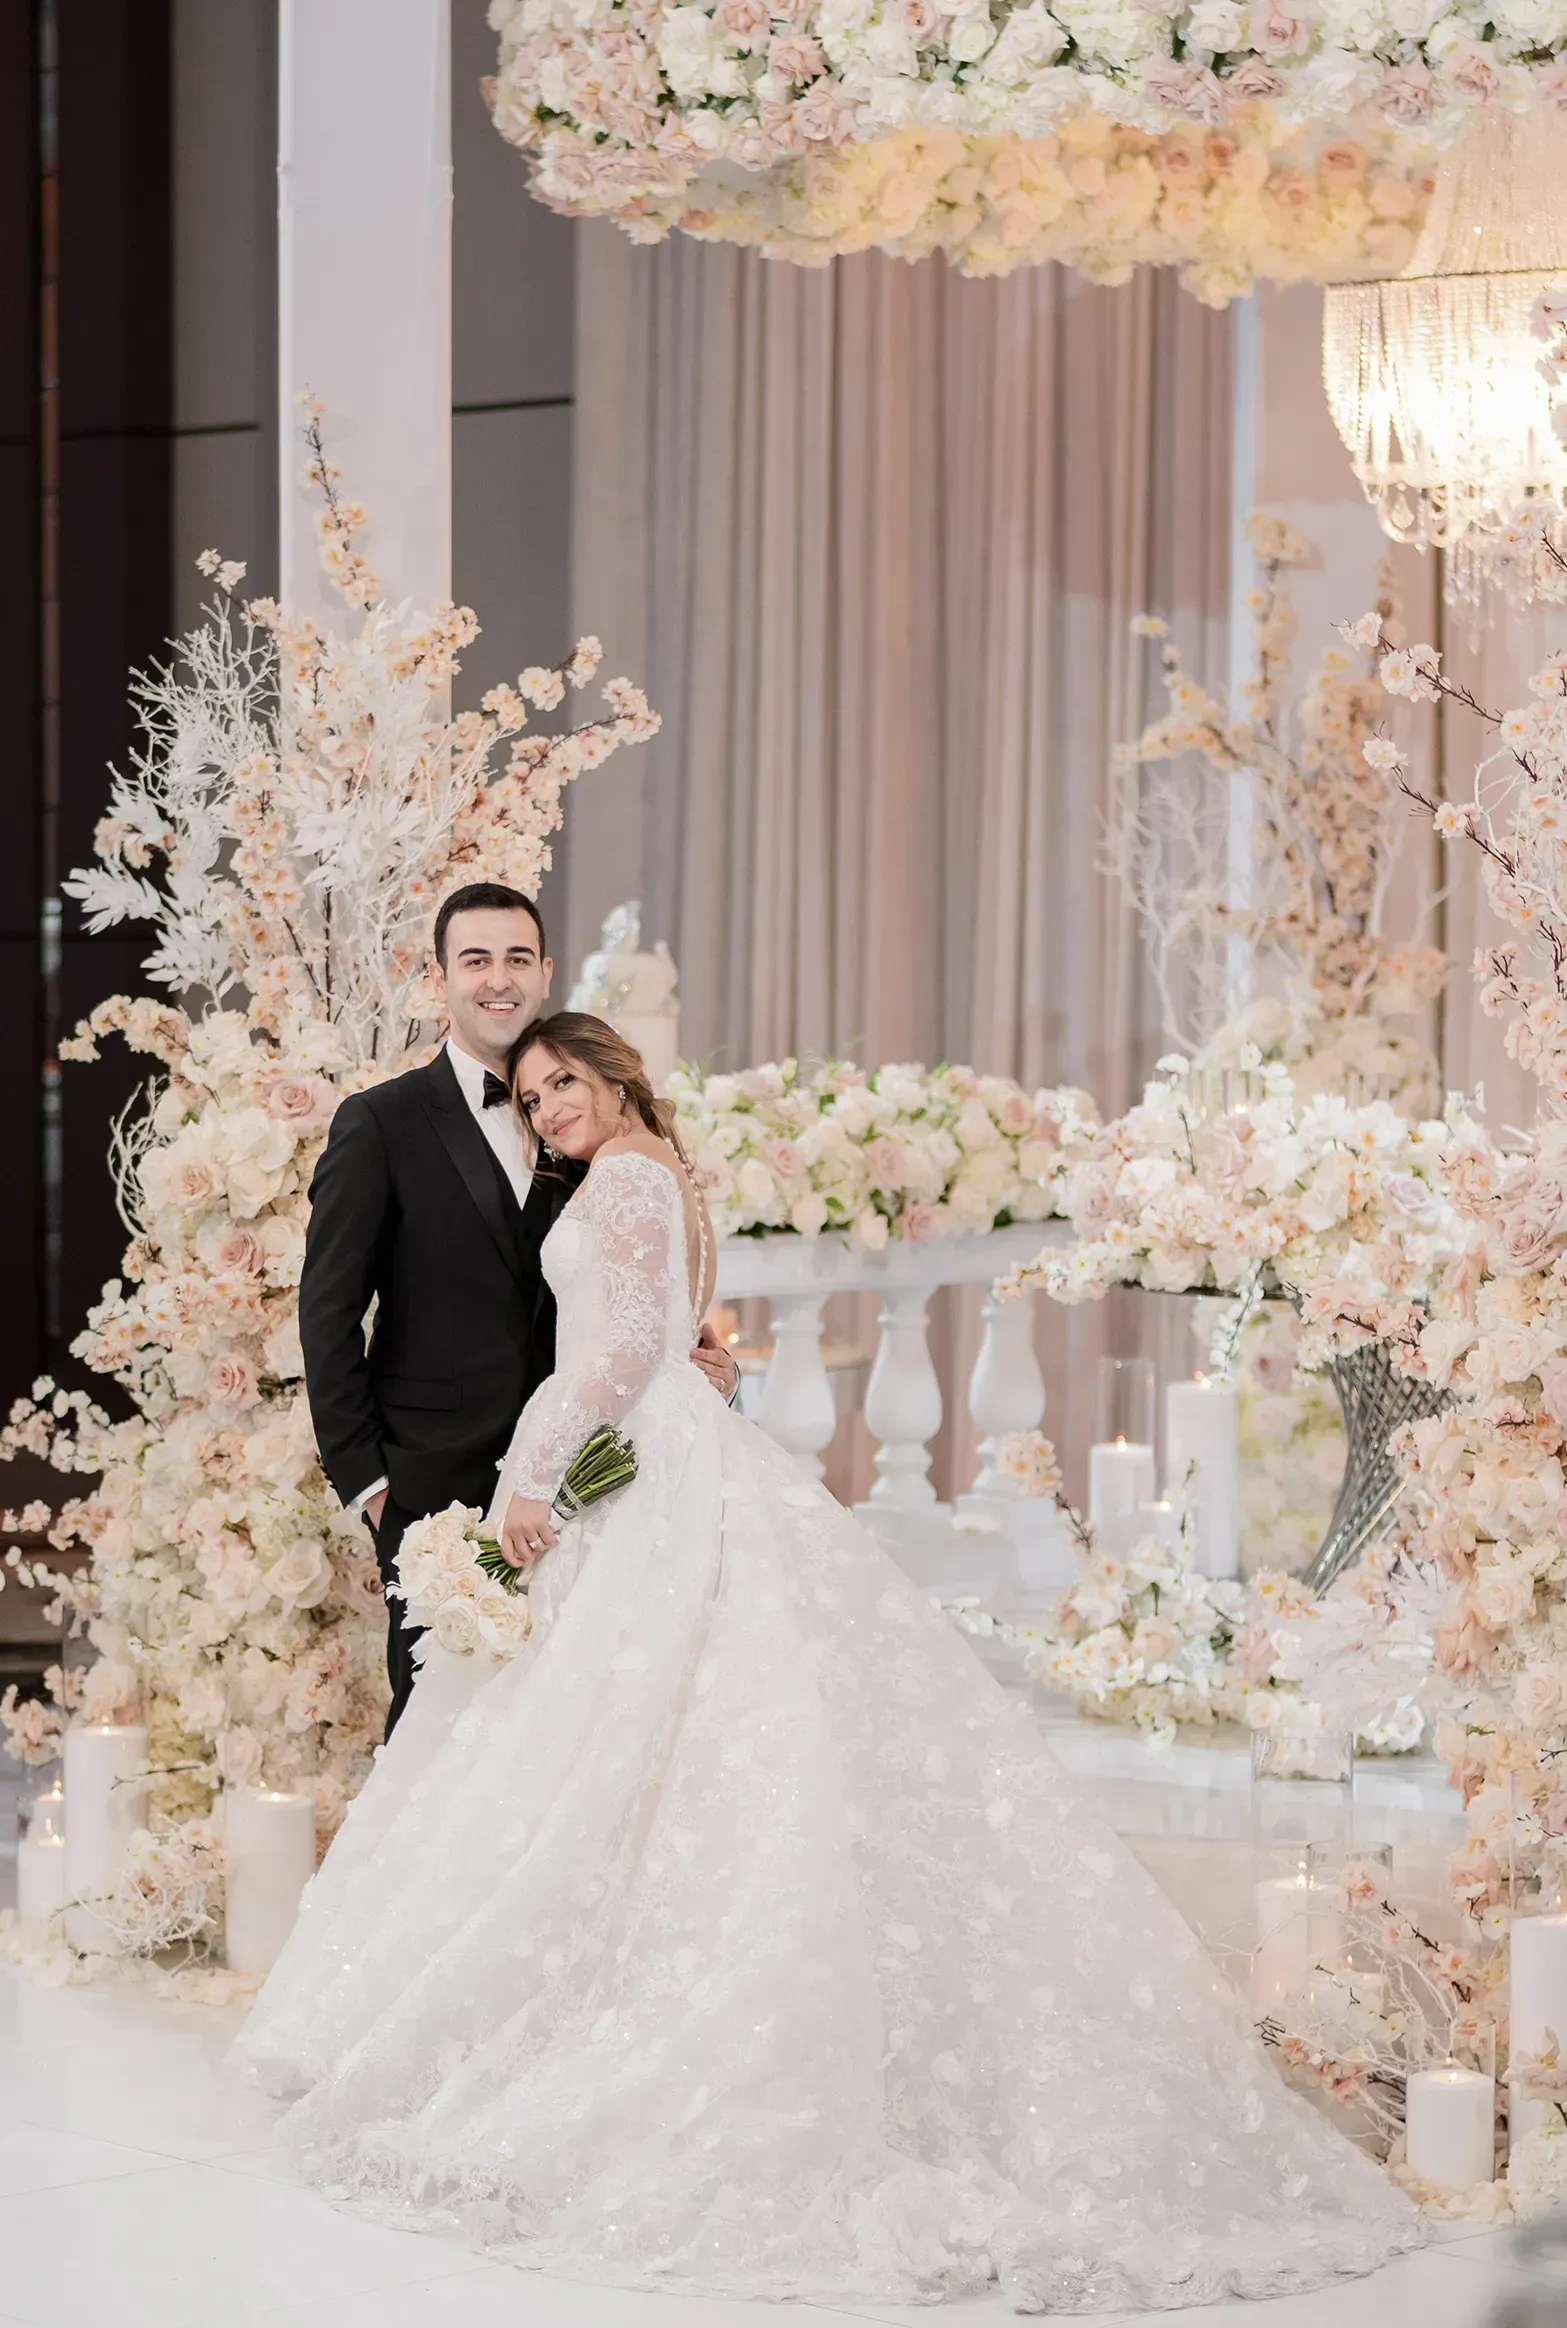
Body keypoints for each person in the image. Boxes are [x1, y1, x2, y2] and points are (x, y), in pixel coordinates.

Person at [243, 1011, 1420, 2313]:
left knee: (645, 1725)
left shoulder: (629, 1177)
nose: (547, 1111)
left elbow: (624, 1349)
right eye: (528, 1098)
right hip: (659, 1450)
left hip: (633, 1459)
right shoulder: (653, 1176)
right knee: (630, 1726)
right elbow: (657, 1336)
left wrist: (530, 1471)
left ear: (609, 1075)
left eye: (560, 1082)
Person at [298, 889, 735, 1732]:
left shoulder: (589, 1125)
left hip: (597, 1473)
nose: (498, 980)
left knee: (571, 1726)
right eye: (475, 959)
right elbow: (326, 1314)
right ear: (439, 978)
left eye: (516, 959)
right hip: (435, 1481)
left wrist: (703, 1363)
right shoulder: (379, 1123)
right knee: (439, 1726)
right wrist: (373, 1483)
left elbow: (635, 1298)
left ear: (544, 972)